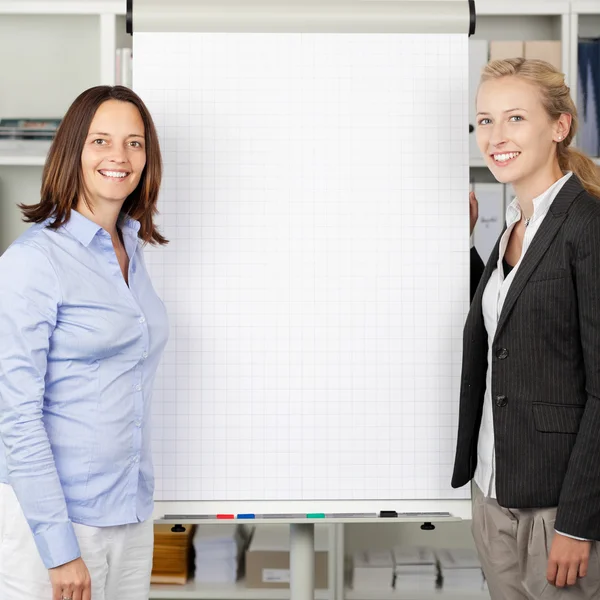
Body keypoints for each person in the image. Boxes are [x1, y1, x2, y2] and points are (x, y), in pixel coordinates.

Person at [0, 86, 169, 600]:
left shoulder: (132, 251)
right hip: (57, 529)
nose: (119, 156)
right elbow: (15, 414)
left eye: (134, 143)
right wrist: (61, 550)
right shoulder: (33, 262)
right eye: (101, 140)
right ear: (72, 151)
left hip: (130, 517)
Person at [453, 57, 600, 600]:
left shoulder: (586, 226)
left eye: (515, 118)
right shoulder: (516, 225)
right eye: (485, 120)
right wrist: (467, 247)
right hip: (494, 492)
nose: (495, 136)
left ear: (559, 127)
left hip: (558, 510)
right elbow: (507, 321)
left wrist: (578, 522)